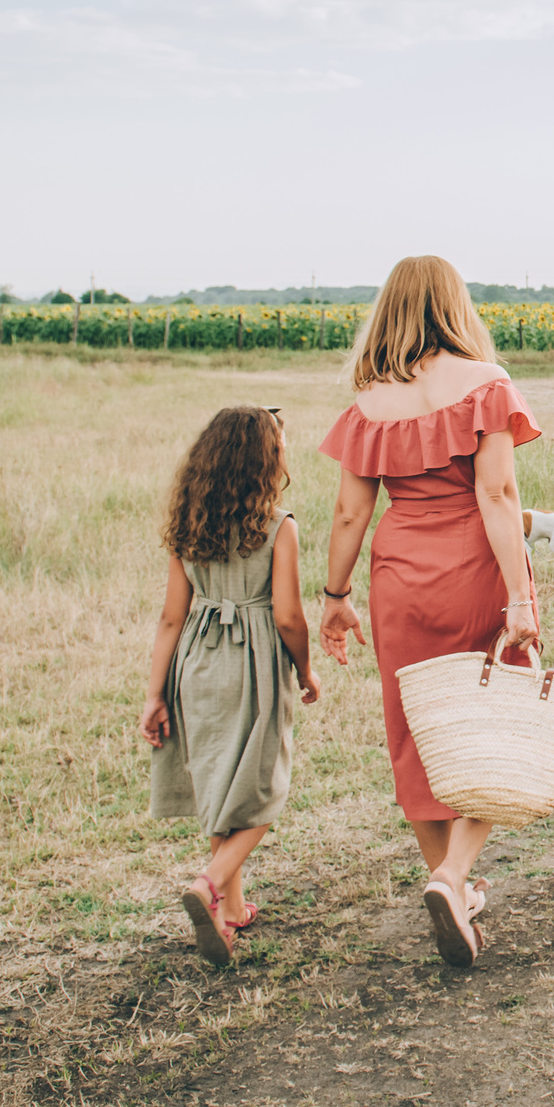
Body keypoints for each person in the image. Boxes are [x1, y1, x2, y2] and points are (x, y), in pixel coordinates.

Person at [319, 256, 544, 969]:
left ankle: (454, 880)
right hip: (476, 571)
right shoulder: (487, 386)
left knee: (415, 728)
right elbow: (498, 497)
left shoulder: (367, 403)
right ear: (457, 306)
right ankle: (454, 875)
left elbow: (352, 512)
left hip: (399, 579)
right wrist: (521, 596)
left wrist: (334, 597)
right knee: (494, 722)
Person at [141, 406, 322, 967]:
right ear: (265, 462)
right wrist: (307, 670)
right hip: (255, 663)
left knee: (222, 783)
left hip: (197, 663)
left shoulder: (188, 522)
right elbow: (289, 616)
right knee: (263, 787)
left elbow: (171, 617)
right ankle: (210, 883)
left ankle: (231, 910)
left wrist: (154, 694)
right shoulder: (278, 526)